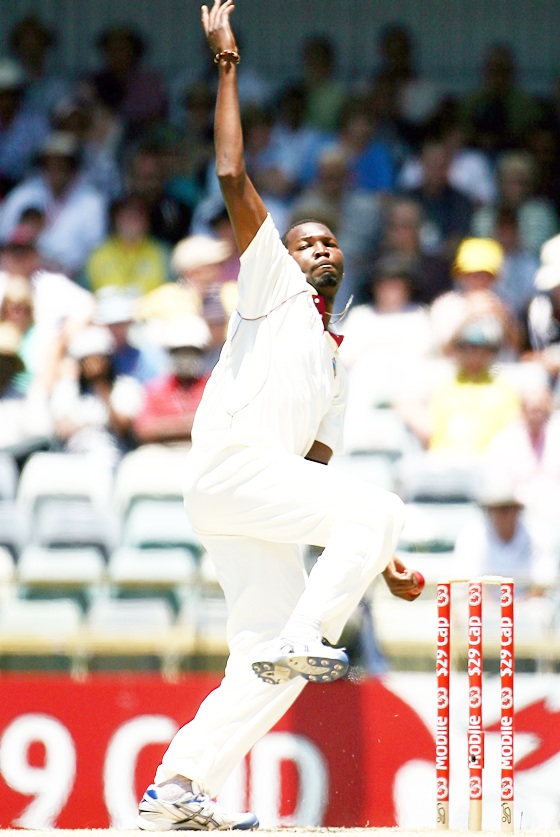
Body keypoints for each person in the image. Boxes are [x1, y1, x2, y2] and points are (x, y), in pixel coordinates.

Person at [137, 2, 421, 831]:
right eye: (305, 241)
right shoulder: (271, 290)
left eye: (330, 242)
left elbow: (315, 479)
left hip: (257, 500)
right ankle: (305, 629)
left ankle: (178, 789)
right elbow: (232, 177)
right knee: (381, 510)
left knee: (270, 666)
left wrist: (371, 559)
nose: (320, 249)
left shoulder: (337, 353)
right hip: (227, 471)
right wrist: (226, 63)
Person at [133, 315, 211, 446]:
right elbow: (144, 430)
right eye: (178, 352)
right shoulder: (155, 388)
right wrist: (190, 425)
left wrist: (167, 425)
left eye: (191, 352)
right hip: (164, 453)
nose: (185, 359)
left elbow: (222, 425)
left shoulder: (213, 384)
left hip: (204, 450)